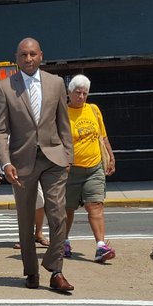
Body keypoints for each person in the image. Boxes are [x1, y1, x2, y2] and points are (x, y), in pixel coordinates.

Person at [0, 37, 74, 294]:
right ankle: (31, 270)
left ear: (41, 56)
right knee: (26, 219)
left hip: (53, 158)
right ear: (16, 58)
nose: (28, 59)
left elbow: (64, 123)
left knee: (58, 214)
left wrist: (68, 156)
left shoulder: (56, 83)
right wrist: (4, 163)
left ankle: (56, 269)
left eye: (32, 54)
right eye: (23, 55)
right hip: (21, 162)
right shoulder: (5, 87)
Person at [63, 74, 118, 263]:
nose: (81, 96)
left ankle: (101, 246)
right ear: (69, 93)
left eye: (85, 93)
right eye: (77, 92)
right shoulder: (61, 112)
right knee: (66, 209)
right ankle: (64, 241)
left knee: (95, 205)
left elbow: (102, 136)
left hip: (94, 167)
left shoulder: (93, 110)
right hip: (70, 170)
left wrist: (110, 156)